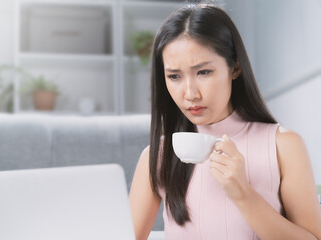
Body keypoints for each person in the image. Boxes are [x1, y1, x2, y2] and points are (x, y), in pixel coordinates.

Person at [129, 3, 321, 240]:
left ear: (235, 68)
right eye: (175, 76)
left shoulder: (284, 145)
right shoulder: (157, 155)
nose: (190, 93)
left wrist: (242, 193)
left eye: (203, 72)